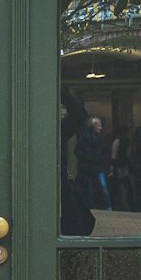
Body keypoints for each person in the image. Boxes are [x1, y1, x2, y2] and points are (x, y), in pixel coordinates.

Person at [60, 87, 96, 236]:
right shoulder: (57, 130)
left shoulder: (55, 130)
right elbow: (80, 114)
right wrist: (62, 93)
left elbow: (80, 114)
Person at [75, 116, 112, 210]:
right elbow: (77, 151)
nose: (101, 128)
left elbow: (107, 152)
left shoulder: (101, 139)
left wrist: (99, 158)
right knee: (92, 188)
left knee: (101, 187)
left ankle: (105, 207)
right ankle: (94, 206)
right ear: (93, 127)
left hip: (96, 166)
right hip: (90, 166)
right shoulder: (85, 138)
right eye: (98, 126)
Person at [108, 123, 134, 210]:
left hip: (119, 166)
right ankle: (130, 204)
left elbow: (114, 155)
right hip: (121, 166)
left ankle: (115, 204)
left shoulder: (118, 141)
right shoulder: (124, 141)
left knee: (117, 187)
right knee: (127, 186)